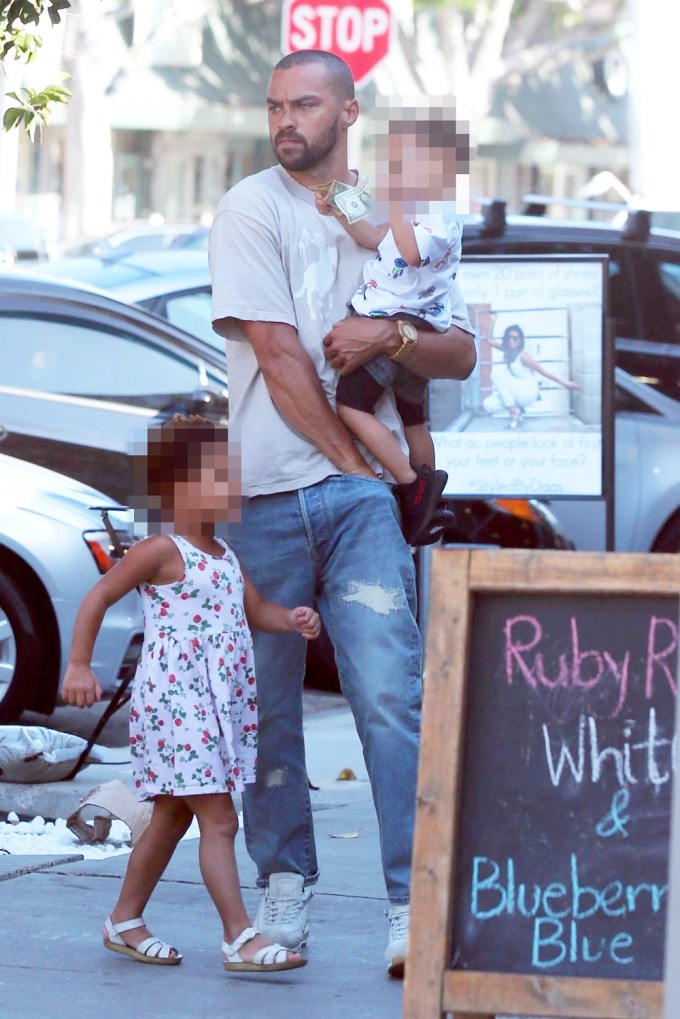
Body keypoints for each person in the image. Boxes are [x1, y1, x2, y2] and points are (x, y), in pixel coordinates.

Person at [209, 50, 476, 977]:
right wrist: (358, 463)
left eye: (305, 103)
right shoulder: (252, 207)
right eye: (275, 104)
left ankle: (412, 904)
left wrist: (391, 334)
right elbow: (281, 359)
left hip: (356, 501)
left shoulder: (394, 210)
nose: (285, 119)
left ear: (349, 111)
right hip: (269, 499)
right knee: (267, 712)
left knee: (392, 698)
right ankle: (286, 889)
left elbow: (459, 351)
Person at [60, 415, 320, 973]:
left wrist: (291, 619)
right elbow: (97, 597)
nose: (231, 488)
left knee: (174, 815)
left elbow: (256, 613)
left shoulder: (226, 554)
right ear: (175, 487)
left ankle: (124, 920)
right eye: (217, 477)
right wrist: (79, 664)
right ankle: (238, 937)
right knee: (220, 820)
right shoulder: (161, 550)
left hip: (214, 710)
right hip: (176, 706)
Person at [313, 105, 468, 545]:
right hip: (415, 330)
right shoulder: (421, 211)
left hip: (397, 323)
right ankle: (431, 498)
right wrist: (340, 209)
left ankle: (411, 485)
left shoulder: (438, 216)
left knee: (351, 407)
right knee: (413, 418)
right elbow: (373, 237)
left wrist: (399, 204)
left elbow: (413, 252)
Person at [482, 323, 580, 428]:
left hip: (528, 391)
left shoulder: (524, 356)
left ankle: (513, 410)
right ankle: (517, 409)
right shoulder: (508, 350)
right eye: (509, 338)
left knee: (496, 374)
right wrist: (493, 321)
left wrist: (563, 383)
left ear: (520, 340)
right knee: (488, 404)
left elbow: (543, 371)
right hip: (517, 391)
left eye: (515, 338)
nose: (511, 341)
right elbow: (489, 340)